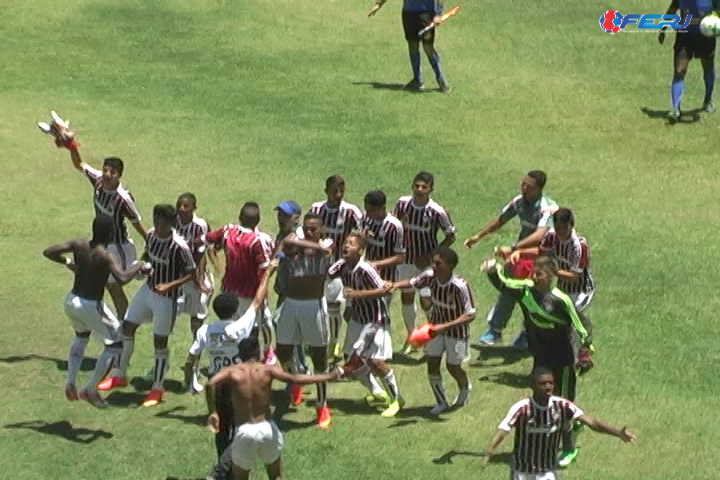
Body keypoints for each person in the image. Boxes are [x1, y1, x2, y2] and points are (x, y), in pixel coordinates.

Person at [482, 256, 593, 467]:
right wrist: (492, 270)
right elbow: (504, 285)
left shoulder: (561, 300)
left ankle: (569, 448)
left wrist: (585, 353)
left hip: (564, 360)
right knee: (541, 400)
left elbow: (584, 328)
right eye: (533, 272)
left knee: (564, 406)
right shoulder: (525, 290)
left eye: (539, 274)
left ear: (551, 276)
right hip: (541, 357)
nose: (533, 276)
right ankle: (544, 438)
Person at [47, 116, 147, 323]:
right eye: (106, 170)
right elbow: (80, 164)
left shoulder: (123, 199)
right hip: (103, 243)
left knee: (115, 282)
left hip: (120, 244)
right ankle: (124, 322)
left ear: (119, 175)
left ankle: (143, 270)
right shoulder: (98, 181)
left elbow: (137, 222)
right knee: (111, 283)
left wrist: (151, 241)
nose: (107, 174)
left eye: (112, 172)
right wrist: (71, 145)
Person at [43, 217, 149, 408]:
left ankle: (71, 381)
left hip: (72, 300)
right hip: (91, 304)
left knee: (81, 337)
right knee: (116, 344)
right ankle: (90, 389)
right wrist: (139, 265)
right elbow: (123, 278)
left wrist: (68, 262)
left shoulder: (78, 245)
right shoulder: (106, 256)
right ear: (110, 234)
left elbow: (49, 252)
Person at [98, 204, 196, 407]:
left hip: (168, 299)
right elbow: (147, 254)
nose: (158, 227)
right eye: (156, 222)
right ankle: (119, 374)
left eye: (162, 224)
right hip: (148, 290)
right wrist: (139, 267)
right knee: (127, 326)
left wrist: (170, 284)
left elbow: (191, 273)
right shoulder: (151, 235)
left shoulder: (179, 246)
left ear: (171, 224)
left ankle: (157, 388)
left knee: (159, 342)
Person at [206, 338, 346, 480]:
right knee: (276, 477)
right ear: (258, 352)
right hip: (267, 429)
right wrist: (329, 376)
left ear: (240, 354)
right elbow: (294, 379)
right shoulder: (267, 370)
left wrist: (213, 412)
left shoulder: (232, 372)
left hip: (244, 430)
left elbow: (210, 384)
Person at [485, 367, 636, 480]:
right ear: (533, 385)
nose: (548, 387)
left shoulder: (562, 406)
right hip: (522, 471)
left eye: (550, 383)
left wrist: (617, 433)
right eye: (543, 383)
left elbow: (591, 422)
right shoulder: (522, 409)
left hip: (547, 471)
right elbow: (504, 430)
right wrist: (489, 451)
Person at [464, 170, 558, 348]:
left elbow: (540, 235)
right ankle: (495, 330)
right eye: (523, 184)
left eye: (529, 187)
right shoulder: (519, 202)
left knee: (533, 297)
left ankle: (527, 334)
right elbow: (500, 220)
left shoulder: (548, 208)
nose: (524, 188)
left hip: (541, 258)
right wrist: (479, 236)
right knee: (507, 288)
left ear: (539, 189)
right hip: (519, 255)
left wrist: (515, 248)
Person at [508, 208, 596, 373]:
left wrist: (552, 271)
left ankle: (582, 357)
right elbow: (541, 253)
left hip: (581, 291)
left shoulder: (579, 245)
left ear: (572, 225)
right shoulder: (552, 237)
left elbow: (574, 276)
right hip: (562, 289)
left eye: (564, 229)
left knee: (572, 319)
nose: (561, 233)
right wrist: (518, 252)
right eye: (558, 228)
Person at [391, 246, 475, 416]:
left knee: (453, 367)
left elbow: (470, 314)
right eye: (433, 263)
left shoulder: (460, 286)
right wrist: (393, 285)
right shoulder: (429, 276)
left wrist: (443, 327)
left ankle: (465, 389)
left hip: (456, 333)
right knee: (432, 364)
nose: (434, 266)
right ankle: (441, 401)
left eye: (438, 263)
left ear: (450, 265)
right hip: (434, 329)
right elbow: (412, 282)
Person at [328, 234, 403, 417]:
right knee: (351, 358)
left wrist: (357, 295)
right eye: (345, 243)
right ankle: (377, 392)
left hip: (375, 319)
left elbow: (383, 290)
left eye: (351, 244)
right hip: (358, 318)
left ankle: (397, 399)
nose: (346, 246)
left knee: (376, 361)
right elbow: (328, 274)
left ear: (360, 250)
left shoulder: (366, 269)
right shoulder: (342, 265)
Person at [273, 212, 334, 428]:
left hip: (313, 305)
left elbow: (327, 249)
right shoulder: (296, 242)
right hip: (290, 302)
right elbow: (286, 242)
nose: (309, 232)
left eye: (314, 229)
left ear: (321, 229)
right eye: (307, 228)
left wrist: (311, 246)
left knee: (319, 357)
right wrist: (312, 246)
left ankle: (322, 404)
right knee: (282, 349)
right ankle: (295, 379)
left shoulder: (328, 242)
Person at [393, 171, 455, 354]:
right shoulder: (403, 204)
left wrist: (430, 256)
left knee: (427, 299)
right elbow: (393, 225)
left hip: (426, 264)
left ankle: (432, 336)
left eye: (424, 187)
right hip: (405, 259)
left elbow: (450, 236)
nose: (419, 190)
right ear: (412, 186)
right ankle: (412, 338)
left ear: (431, 189)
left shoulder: (437, 211)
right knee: (406, 296)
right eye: (417, 186)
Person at [203, 203, 274, 359]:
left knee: (231, 327)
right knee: (255, 326)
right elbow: (264, 270)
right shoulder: (258, 241)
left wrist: (215, 261)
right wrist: (263, 294)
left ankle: (232, 356)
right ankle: (263, 355)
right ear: (258, 220)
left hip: (229, 291)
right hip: (250, 294)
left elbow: (207, 240)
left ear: (240, 217)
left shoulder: (228, 230)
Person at [310, 175, 363, 362]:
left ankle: (333, 343)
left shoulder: (351, 211)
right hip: (317, 267)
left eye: (342, 190)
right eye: (334, 191)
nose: (339, 194)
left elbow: (362, 234)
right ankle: (318, 340)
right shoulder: (316, 209)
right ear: (326, 191)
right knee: (317, 306)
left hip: (340, 268)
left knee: (334, 308)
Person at [370, 0, 450, 91]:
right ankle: (417, 80)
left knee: (428, 47)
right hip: (408, 13)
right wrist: (379, 4)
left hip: (426, 13)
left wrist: (438, 13)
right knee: (413, 45)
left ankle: (442, 81)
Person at [659, 0, 716, 120]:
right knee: (679, 70)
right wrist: (663, 28)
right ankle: (675, 109)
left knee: (707, 67)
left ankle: (707, 100)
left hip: (705, 36)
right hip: (685, 36)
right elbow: (672, 9)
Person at [175, 193, 216, 341]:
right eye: (179, 205)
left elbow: (201, 256)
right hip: (177, 276)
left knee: (197, 315)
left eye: (186, 206)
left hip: (196, 275)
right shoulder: (173, 222)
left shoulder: (200, 226)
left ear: (194, 208)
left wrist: (199, 281)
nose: (181, 209)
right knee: (170, 311)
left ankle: (195, 349)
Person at [360, 190, 406, 307]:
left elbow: (400, 257)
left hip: (386, 277)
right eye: (367, 210)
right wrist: (362, 238)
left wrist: (377, 263)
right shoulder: (366, 219)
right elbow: (360, 245)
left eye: (372, 210)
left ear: (383, 207)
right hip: (367, 274)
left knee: (381, 311)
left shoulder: (395, 226)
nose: (368, 213)